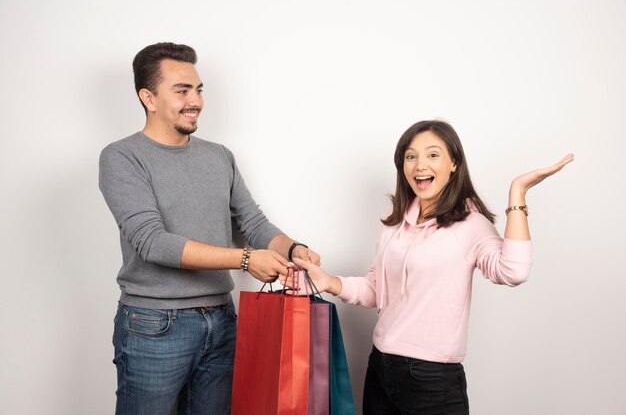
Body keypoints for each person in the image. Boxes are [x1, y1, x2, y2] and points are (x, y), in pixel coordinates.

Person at [283, 120, 573, 415]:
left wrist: (518, 193)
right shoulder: (395, 221)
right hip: (380, 368)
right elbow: (376, 290)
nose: (420, 164)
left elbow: (514, 271)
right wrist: (328, 282)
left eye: (433, 155)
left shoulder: (470, 225)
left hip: (432, 380)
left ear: (454, 164)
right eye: (411, 156)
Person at [99, 42, 320, 415]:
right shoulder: (122, 157)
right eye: (182, 90)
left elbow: (251, 222)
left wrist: (294, 249)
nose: (196, 101)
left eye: (198, 90)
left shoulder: (219, 156)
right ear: (148, 98)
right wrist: (246, 259)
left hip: (221, 320)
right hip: (154, 326)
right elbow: (153, 243)